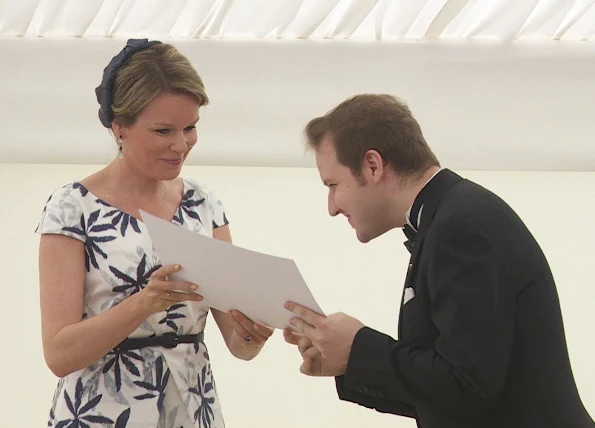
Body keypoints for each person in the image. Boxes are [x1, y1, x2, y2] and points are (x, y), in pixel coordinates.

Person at [283, 94, 594, 428]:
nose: (331, 206)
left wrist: (359, 348)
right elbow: (447, 389)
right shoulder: (451, 217)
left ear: (373, 166)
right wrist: (348, 361)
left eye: (333, 185)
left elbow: (468, 386)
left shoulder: (459, 229)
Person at [35, 38, 273, 428]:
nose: (181, 145)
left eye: (190, 127)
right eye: (163, 130)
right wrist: (144, 303)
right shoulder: (71, 208)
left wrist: (254, 334)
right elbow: (58, 354)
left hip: (194, 411)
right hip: (101, 414)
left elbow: (238, 345)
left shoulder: (204, 203)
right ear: (119, 127)